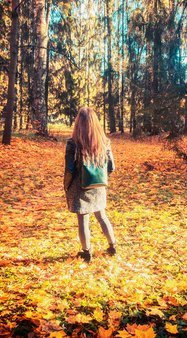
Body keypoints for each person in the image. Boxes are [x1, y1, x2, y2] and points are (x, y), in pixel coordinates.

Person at [63, 107, 117, 262]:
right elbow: (111, 167)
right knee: (102, 217)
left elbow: (69, 170)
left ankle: (87, 253)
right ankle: (112, 246)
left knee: (83, 221)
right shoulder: (104, 142)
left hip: (80, 188)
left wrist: (66, 186)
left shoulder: (73, 143)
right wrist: (99, 178)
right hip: (99, 186)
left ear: (78, 123)